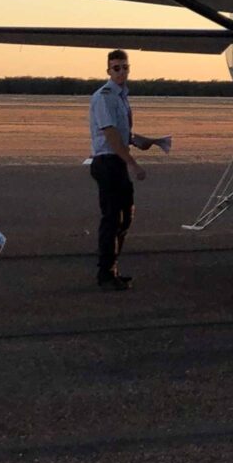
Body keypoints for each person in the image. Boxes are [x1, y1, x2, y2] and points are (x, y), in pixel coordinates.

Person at [89, 50, 168, 290]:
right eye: (116, 68)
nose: (121, 72)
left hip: (117, 161)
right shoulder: (105, 97)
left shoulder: (121, 97)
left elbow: (122, 134)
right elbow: (110, 134)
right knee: (112, 219)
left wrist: (140, 141)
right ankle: (105, 274)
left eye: (125, 67)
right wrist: (133, 163)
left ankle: (112, 270)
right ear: (108, 71)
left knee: (125, 218)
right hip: (108, 162)